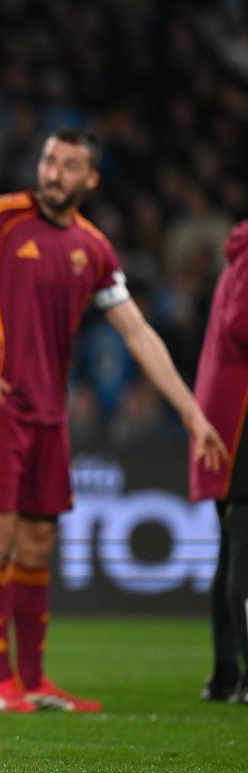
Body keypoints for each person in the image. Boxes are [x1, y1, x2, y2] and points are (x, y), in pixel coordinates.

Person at [0, 128, 227, 713]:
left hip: (50, 414)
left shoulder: (93, 249)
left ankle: (37, 679)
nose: (53, 173)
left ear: (91, 180)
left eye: (69, 166)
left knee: (40, 542)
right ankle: (2, 684)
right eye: (49, 160)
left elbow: (138, 333)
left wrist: (191, 411)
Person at [190, 219, 248, 704]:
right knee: (242, 546)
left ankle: (228, 672)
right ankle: (237, 674)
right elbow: (241, 324)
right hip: (238, 423)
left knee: (234, 546)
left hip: (224, 419)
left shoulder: (238, 254)